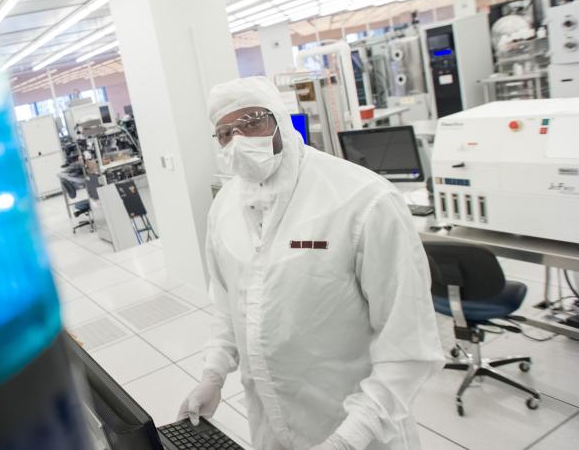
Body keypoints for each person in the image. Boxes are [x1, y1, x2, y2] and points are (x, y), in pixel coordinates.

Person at [177, 77, 443, 450]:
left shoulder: (363, 199)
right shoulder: (224, 210)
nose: (238, 140)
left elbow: (408, 344)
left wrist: (349, 439)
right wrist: (214, 374)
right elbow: (227, 307)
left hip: (360, 429)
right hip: (271, 424)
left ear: (281, 120)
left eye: (252, 122)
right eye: (225, 133)